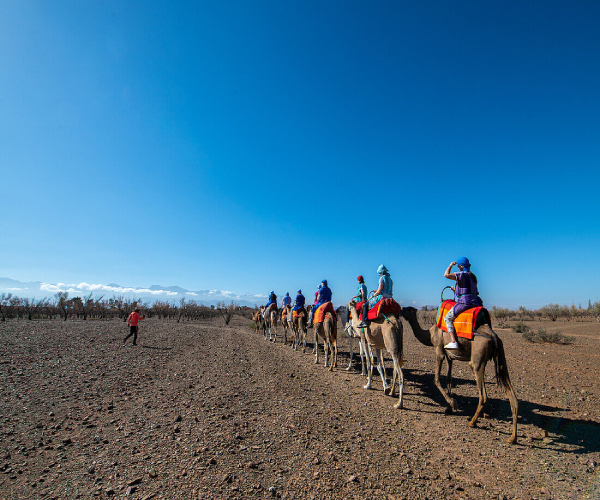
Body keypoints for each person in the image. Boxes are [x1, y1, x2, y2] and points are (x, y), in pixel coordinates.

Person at [443, 257, 483, 349]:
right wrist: (455, 289)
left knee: (448, 318)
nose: (457, 267)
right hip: (476, 301)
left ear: (461, 266)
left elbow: (446, 275)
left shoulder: (462, 274)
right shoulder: (472, 276)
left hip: (465, 302)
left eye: (458, 265)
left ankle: (453, 341)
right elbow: (468, 289)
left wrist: (450, 265)